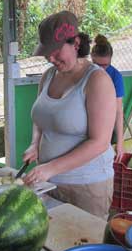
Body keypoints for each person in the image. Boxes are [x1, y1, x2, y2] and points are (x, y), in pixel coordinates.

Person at [22, 11, 117, 219]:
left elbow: (100, 142)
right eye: (47, 53)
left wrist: (50, 168)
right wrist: (34, 144)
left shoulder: (97, 81)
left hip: (86, 185)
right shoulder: (48, 76)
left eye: (56, 52)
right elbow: (41, 119)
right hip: (49, 183)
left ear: (75, 43)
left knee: (82, 246)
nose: (50, 58)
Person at [91, 34, 125, 163]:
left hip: (106, 127)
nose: (101, 69)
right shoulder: (85, 73)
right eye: (97, 65)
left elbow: (118, 111)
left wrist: (120, 142)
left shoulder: (115, 76)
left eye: (105, 65)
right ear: (91, 58)